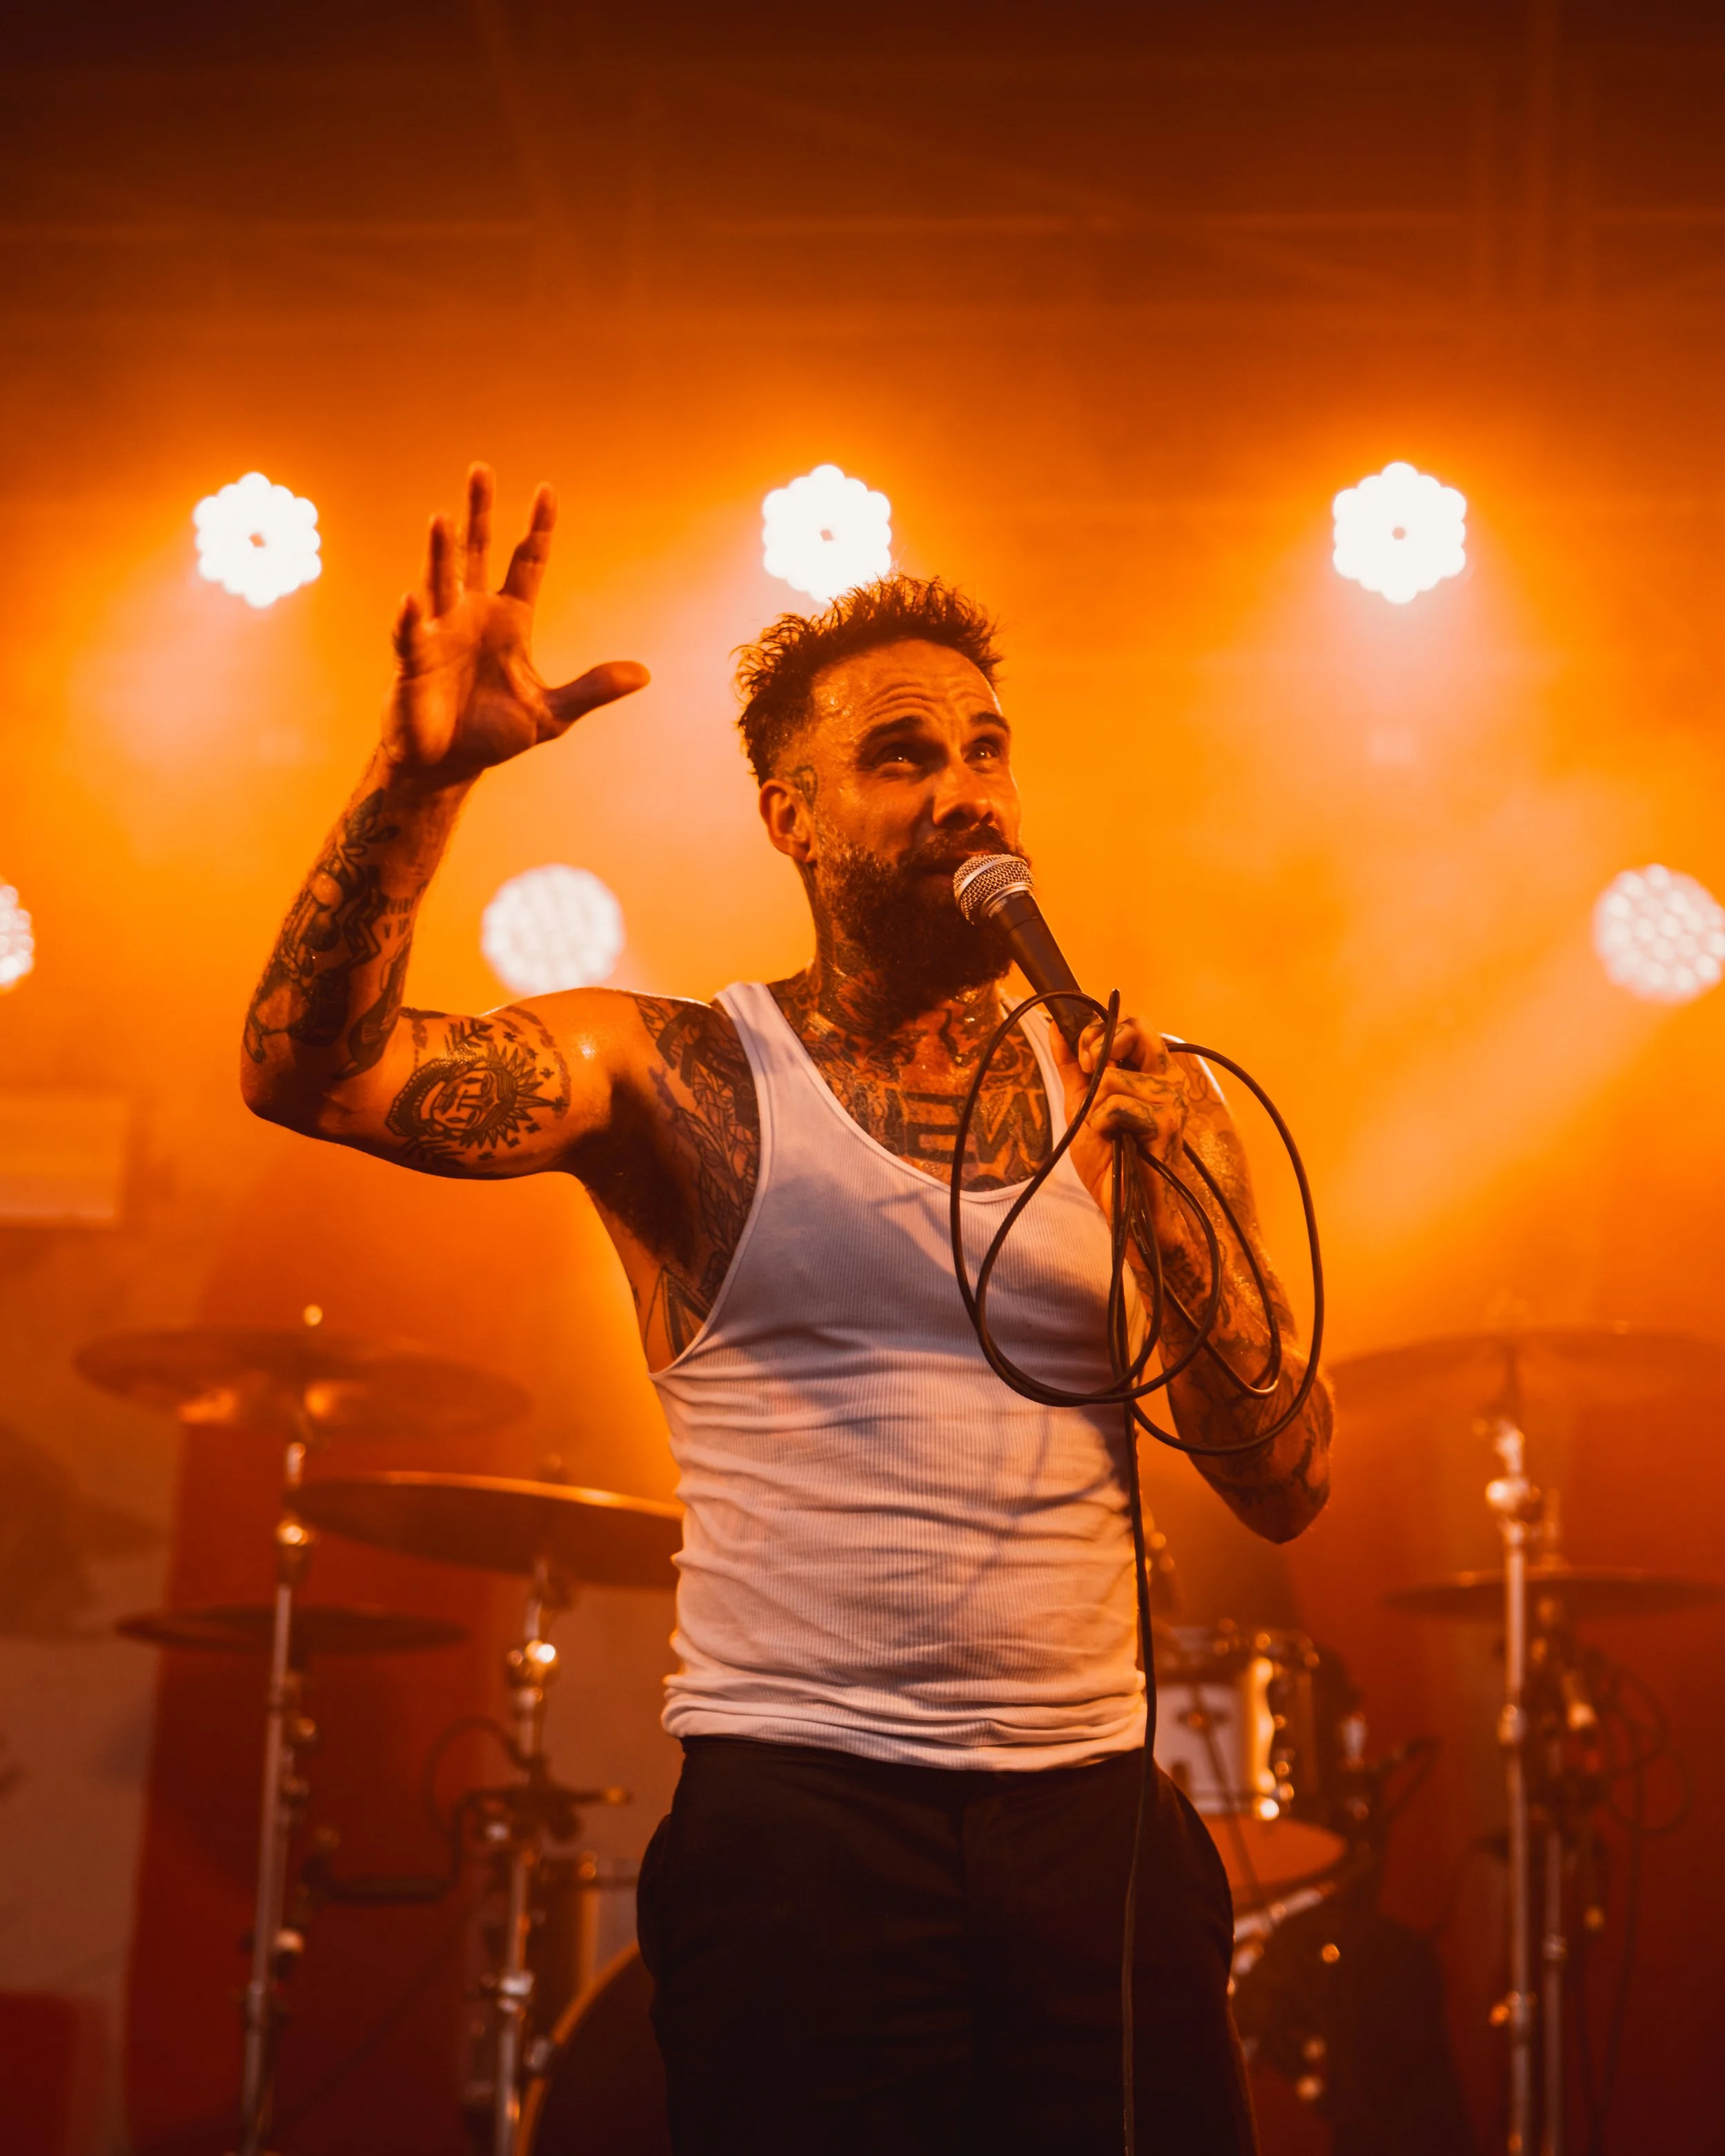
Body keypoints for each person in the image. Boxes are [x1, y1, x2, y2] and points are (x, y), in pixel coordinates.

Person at [241, 465, 1332, 2155]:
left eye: (985, 748)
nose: (965, 792)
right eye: (902, 757)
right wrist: (414, 785)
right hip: (806, 1820)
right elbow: (312, 1073)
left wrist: (1170, 1215)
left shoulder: (1145, 1091)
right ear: (790, 817)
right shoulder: (674, 1075)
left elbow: (1283, 1477)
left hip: (1093, 1828)